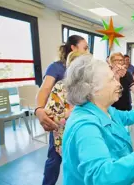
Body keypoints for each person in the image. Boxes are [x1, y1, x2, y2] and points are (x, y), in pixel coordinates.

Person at [62, 55, 134, 185]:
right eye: (112, 79)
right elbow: (103, 177)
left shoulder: (104, 109)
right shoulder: (85, 126)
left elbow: (127, 117)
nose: (118, 84)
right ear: (93, 90)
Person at [35, 35, 88, 185]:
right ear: (73, 48)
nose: (87, 51)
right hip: (60, 124)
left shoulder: (85, 71)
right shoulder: (57, 68)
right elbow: (44, 89)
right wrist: (39, 109)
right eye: (85, 47)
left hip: (78, 124)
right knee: (55, 157)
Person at [44, 51, 88, 156]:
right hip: (67, 140)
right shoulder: (60, 87)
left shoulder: (90, 87)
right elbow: (52, 118)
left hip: (86, 138)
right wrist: (71, 113)